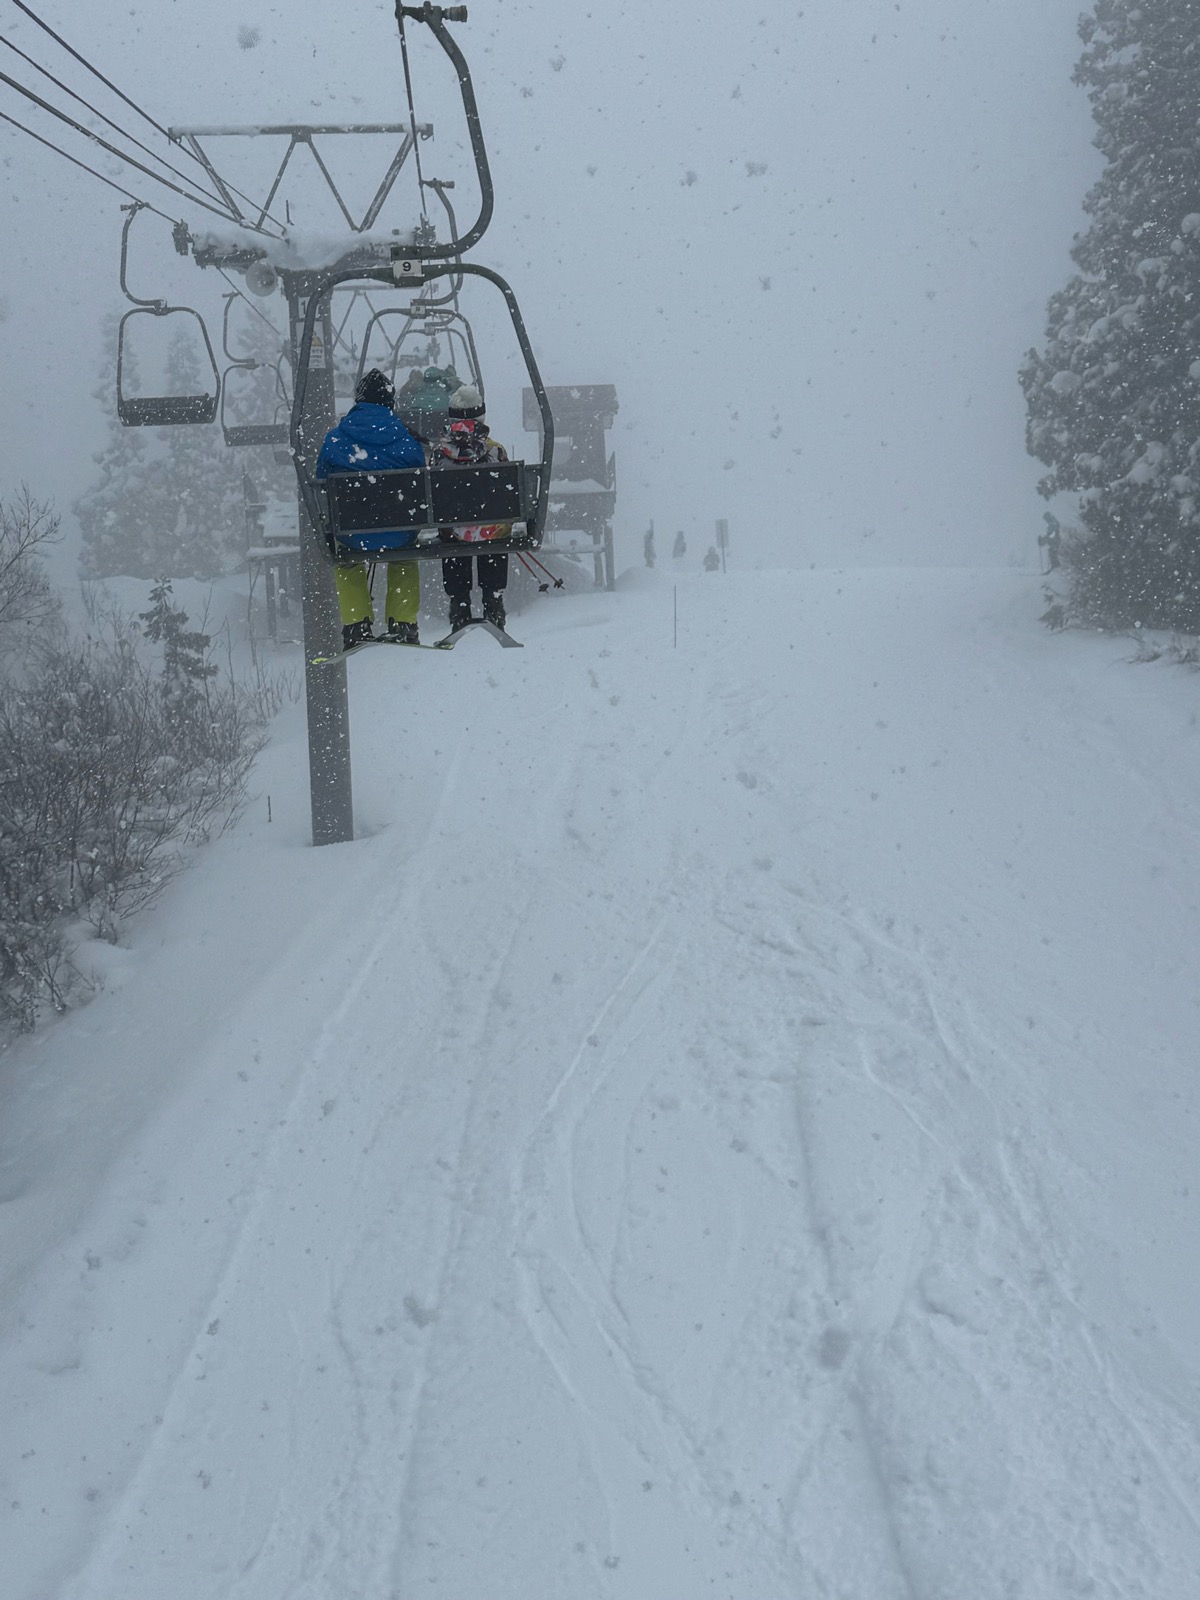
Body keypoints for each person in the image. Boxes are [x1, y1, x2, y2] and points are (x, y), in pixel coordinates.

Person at [315, 369, 425, 649]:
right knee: (403, 557)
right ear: (390, 402)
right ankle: (403, 622)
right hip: (399, 532)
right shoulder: (406, 440)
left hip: (353, 532)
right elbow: (421, 479)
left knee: (347, 561)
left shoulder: (336, 440)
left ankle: (356, 624)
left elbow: (320, 482)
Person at [433, 384, 512, 632]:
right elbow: (507, 497)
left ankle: (459, 603)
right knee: (494, 528)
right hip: (490, 530)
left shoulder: (439, 454)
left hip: (453, 532)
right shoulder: (495, 450)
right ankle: (493, 599)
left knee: (453, 531)